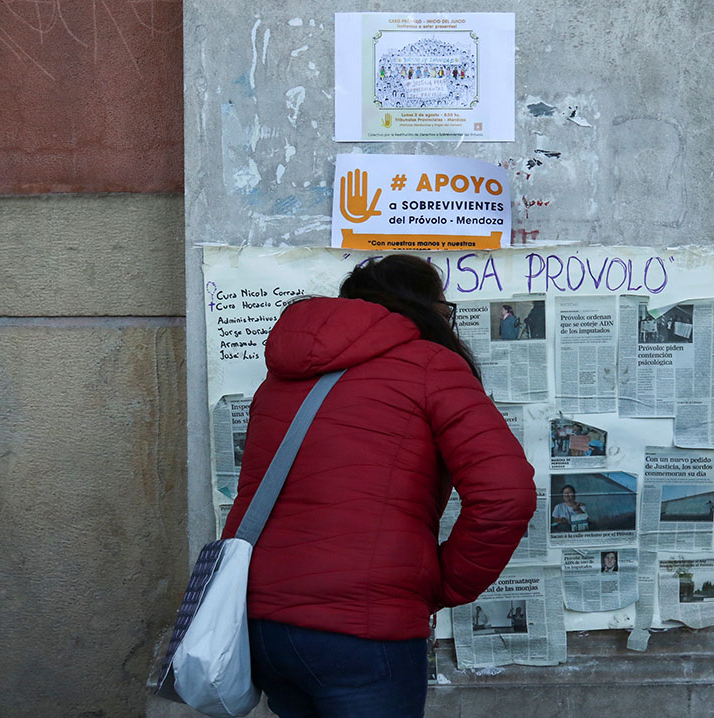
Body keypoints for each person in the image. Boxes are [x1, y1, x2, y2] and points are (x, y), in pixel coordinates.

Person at [221, 255, 536, 717]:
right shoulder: (431, 365)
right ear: (430, 310)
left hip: (262, 622)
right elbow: (506, 493)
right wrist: (444, 584)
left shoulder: (282, 379)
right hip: (362, 632)